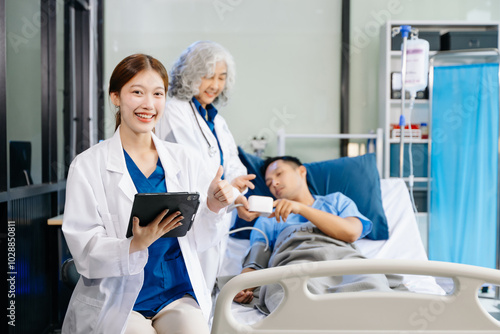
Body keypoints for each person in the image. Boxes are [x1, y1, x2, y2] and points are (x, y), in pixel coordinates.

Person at [61, 53, 234, 334]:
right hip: (118, 297)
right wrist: (132, 245)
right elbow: (84, 250)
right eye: (137, 92)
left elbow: (201, 240)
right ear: (116, 97)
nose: (148, 104)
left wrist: (213, 205)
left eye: (157, 94)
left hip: (175, 294)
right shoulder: (88, 166)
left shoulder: (186, 159)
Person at [156, 40, 259, 291]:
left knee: (209, 295)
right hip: (191, 217)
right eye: (207, 76)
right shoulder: (174, 112)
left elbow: (234, 164)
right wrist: (232, 191)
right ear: (190, 75)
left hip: (217, 216)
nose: (215, 85)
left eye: (221, 77)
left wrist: (236, 191)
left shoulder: (217, 121)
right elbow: (193, 169)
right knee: (191, 294)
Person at [233, 156, 397, 313]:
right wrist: (242, 287)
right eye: (268, 183)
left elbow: (351, 232)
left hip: (345, 265)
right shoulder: (268, 218)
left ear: (301, 171)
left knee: (376, 293)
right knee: (284, 297)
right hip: (294, 271)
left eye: (279, 174)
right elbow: (256, 262)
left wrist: (300, 208)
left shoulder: (337, 201)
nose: (274, 183)